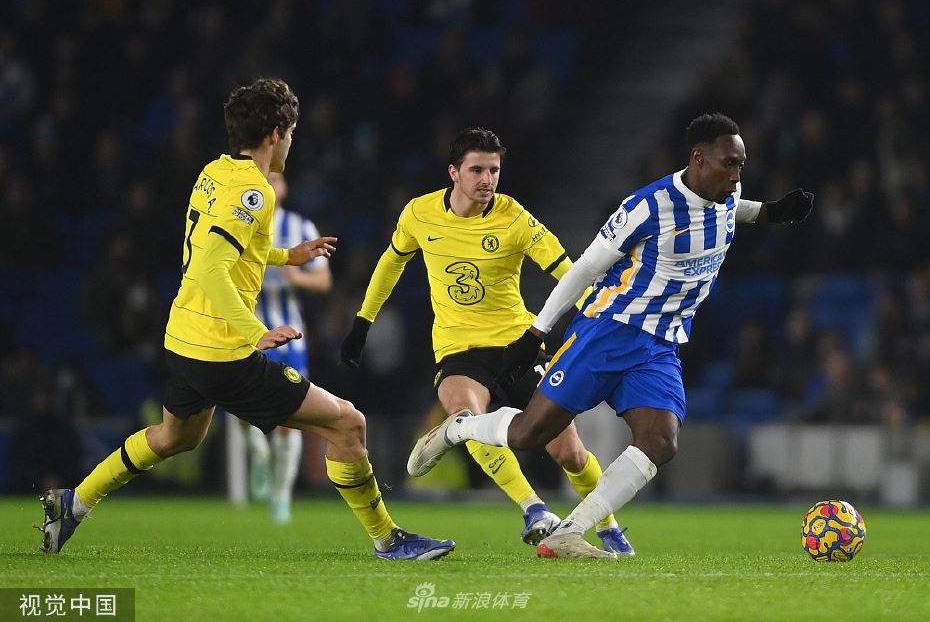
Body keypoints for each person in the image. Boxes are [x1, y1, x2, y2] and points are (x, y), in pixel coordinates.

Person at [40, 78, 454, 561]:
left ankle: (74, 503)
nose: (292, 143)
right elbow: (211, 268)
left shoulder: (213, 172)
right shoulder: (256, 191)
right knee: (348, 424)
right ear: (276, 133)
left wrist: (286, 255)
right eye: (292, 133)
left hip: (184, 339)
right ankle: (389, 540)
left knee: (176, 436)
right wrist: (257, 331)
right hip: (223, 352)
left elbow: (222, 248)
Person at [407, 113, 814, 558]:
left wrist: (771, 212)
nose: (737, 176)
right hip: (608, 331)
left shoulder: (726, 194)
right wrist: (536, 331)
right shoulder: (647, 206)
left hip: (659, 345)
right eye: (729, 164)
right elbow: (585, 268)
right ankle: (458, 429)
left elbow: (730, 209)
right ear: (699, 159)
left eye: (741, 165)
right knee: (529, 434)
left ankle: (570, 531)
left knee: (660, 441)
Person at [341, 127, 633, 554]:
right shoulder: (419, 214)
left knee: (569, 453)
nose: (487, 179)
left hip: (518, 346)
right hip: (459, 349)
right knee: (464, 416)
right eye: (477, 169)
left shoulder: (515, 218)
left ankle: (608, 527)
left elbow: (568, 273)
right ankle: (533, 508)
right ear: (453, 173)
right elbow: (390, 263)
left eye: (494, 170)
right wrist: (362, 322)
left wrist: (605, 318)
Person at [242, 171, 332, 524]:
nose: (271, 185)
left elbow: (323, 279)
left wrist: (297, 275)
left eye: (276, 180)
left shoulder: (299, 226)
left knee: (292, 415)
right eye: (265, 179)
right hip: (247, 329)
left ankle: (281, 498)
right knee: (239, 406)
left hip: (290, 333)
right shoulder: (242, 222)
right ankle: (258, 452)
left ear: (284, 187)